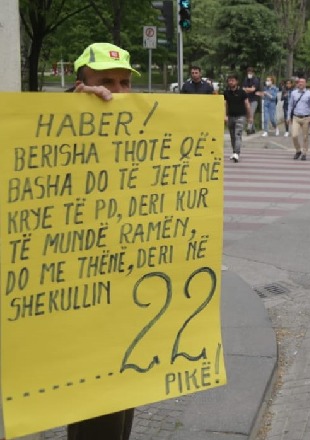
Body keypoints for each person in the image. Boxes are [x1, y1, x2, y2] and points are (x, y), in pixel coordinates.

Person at [67, 42, 139, 440]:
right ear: (81, 84)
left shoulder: (139, 127)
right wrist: (75, 110)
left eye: (124, 82)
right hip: (81, 301)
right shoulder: (67, 127)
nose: (117, 91)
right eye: (105, 81)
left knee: (120, 404)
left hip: (127, 294)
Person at [224, 73, 252, 162]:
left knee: (238, 134)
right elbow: (225, 105)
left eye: (233, 80)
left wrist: (249, 117)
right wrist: (225, 115)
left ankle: (236, 153)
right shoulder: (226, 93)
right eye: (229, 80)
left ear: (237, 82)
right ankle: (234, 152)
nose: (231, 82)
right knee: (232, 135)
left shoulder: (242, 92)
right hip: (230, 116)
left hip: (240, 116)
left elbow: (247, 104)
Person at [286, 77, 310, 160]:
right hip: (296, 117)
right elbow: (290, 105)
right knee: (294, 135)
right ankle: (298, 150)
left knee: (305, 137)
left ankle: (304, 153)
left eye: (303, 82)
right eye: (299, 82)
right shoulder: (293, 93)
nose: (301, 83)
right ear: (297, 84)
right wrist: (288, 116)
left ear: (306, 84)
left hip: (306, 117)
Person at [242, 67, 261, 134]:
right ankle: (253, 129)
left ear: (253, 73)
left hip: (254, 99)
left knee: (251, 113)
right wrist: (249, 89)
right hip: (247, 99)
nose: (249, 74)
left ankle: (249, 128)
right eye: (248, 73)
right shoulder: (245, 79)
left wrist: (247, 89)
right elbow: (243, 89)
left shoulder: (255, 80)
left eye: (250, 73)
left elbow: (253, 89)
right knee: (248, 114)